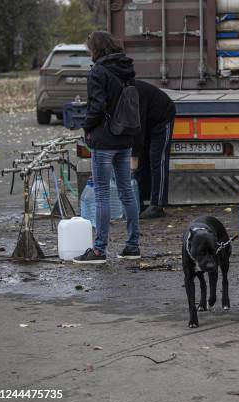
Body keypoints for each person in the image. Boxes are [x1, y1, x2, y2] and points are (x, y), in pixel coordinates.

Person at [74, 31, 140, 264]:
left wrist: (86, 127)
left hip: (104, 138)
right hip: (125, 137)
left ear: (96, 49)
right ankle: (133, 246)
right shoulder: (126, 68)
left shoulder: (97, 72)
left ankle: (99, 250)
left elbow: (97, 106)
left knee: (102, 193)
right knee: (126, 191)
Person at [132, 80, 176, 218]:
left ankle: (157, 204)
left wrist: (134, 155)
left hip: (161, 118)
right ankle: (139, 202)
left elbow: (138, 127)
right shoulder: (117, 94)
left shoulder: (133, 93)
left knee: (158, 159)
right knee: (142, 161)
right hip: (146, 119)